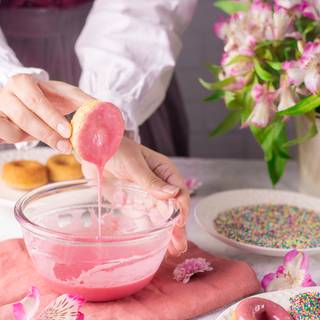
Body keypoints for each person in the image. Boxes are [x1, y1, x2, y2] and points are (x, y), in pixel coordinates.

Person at [0, 0, 198, 255]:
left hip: (125, 58)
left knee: (143, 218)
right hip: (10, 66)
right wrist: (5, 78)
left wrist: (109, 128)